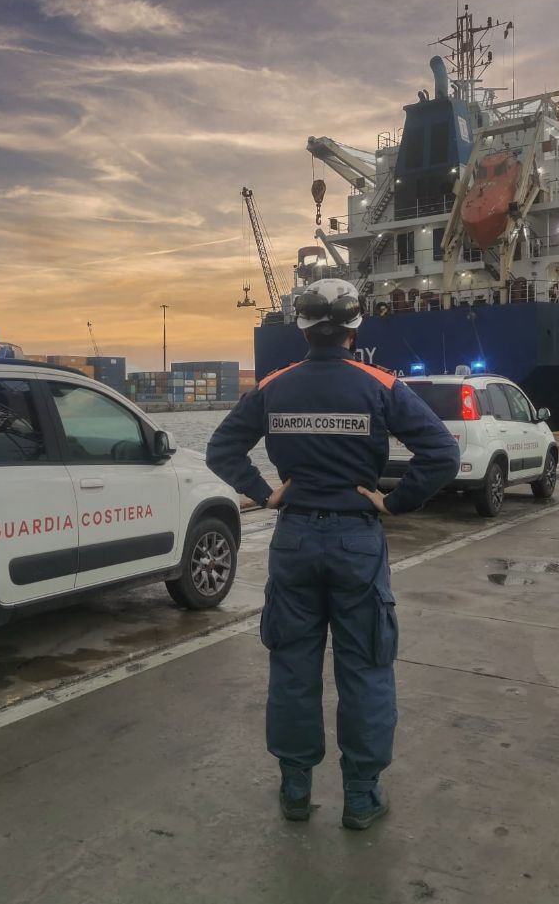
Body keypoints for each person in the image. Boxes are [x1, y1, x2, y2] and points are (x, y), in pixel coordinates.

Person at [206, 278, 459, 829]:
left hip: (294, 539)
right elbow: (441, 450)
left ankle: (296, 791)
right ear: (354, 326)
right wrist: (396, 501)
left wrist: (263, 492)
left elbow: (220, 448)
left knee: (292, 668)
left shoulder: (274, 386)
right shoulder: (381, 385)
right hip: (356, 540)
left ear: (302, 327)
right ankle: (362, 797)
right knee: (366, 666)